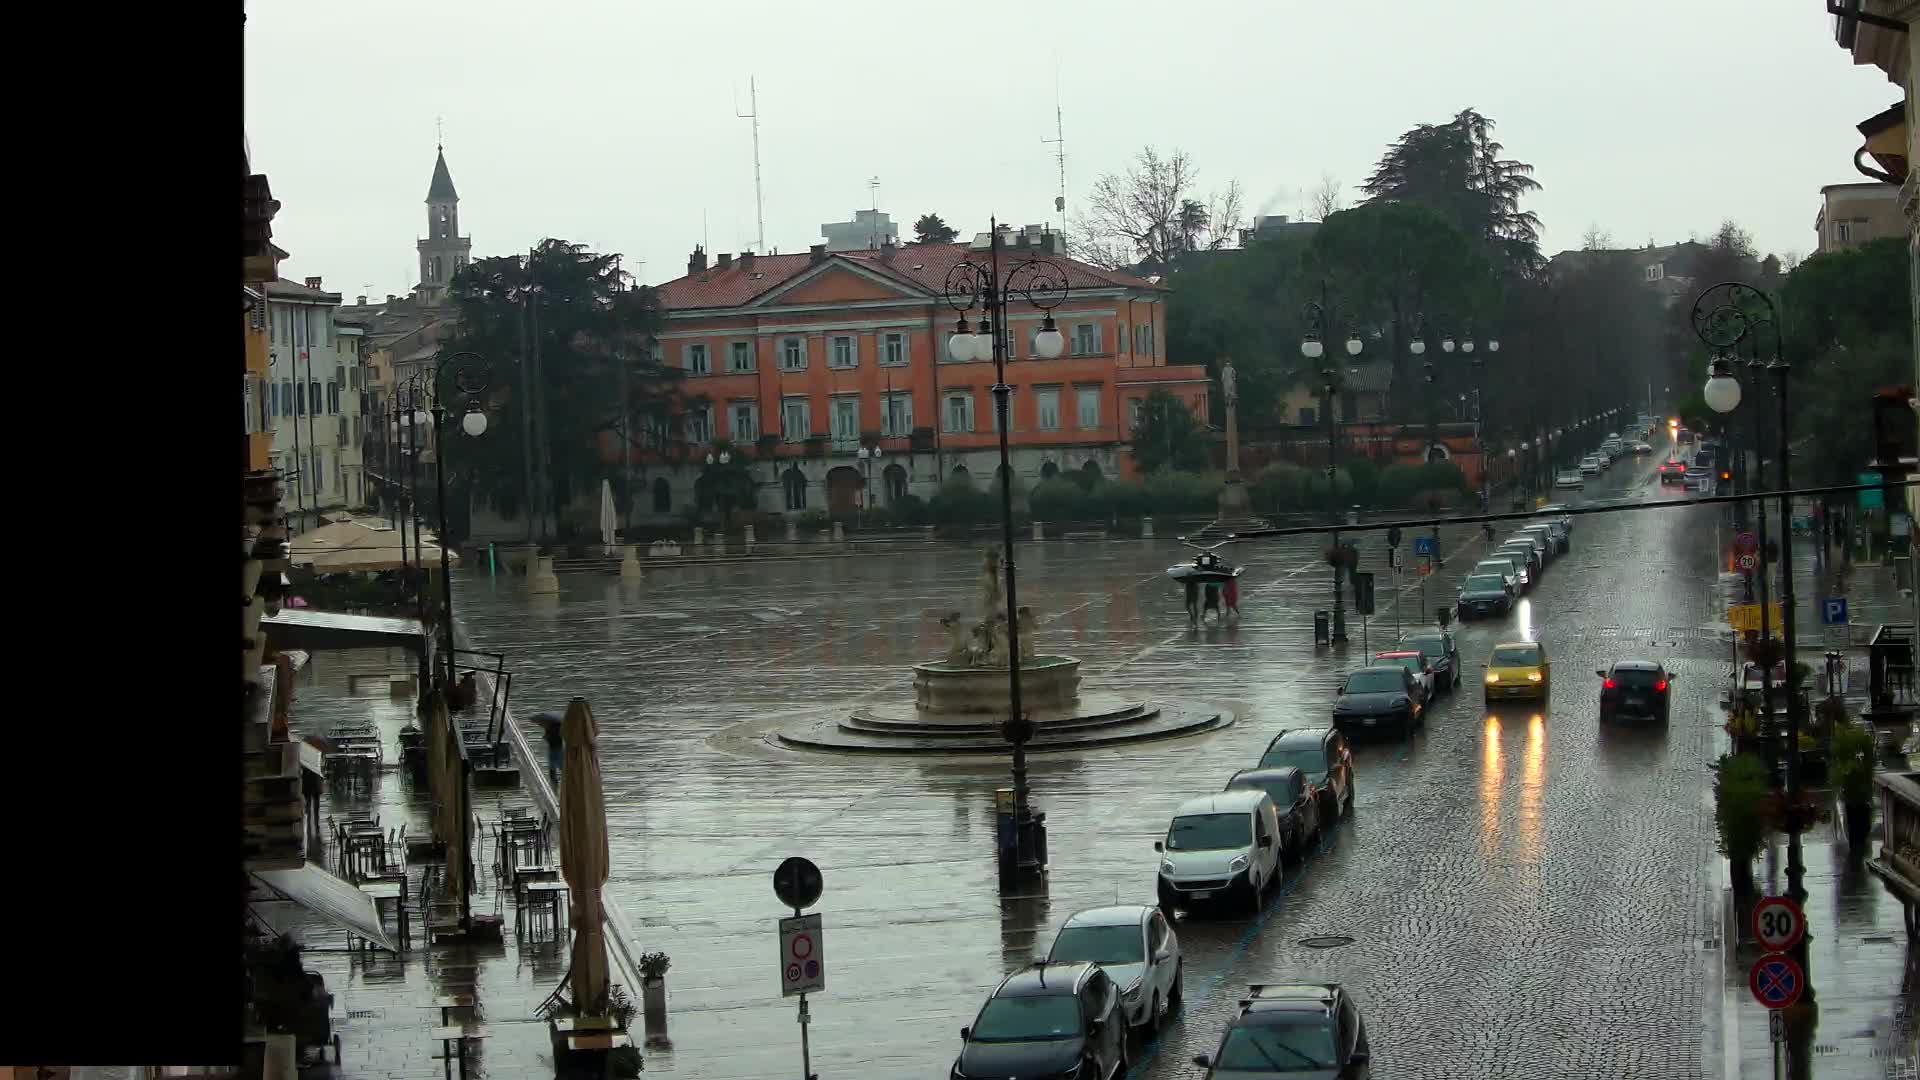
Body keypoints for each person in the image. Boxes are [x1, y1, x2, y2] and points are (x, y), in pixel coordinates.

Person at [531, 710, 564, 785]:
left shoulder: (554, 727)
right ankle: (555, 781)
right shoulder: (553, 726)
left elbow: (554, 738)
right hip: (554, 748)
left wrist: (547, 736)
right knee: (556, 765)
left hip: (556, 748)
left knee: (556, 765)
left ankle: (555, 782)